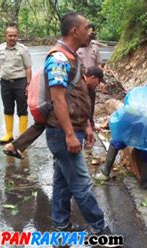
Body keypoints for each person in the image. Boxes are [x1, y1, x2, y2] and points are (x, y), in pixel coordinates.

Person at [44, 12, 108, 234]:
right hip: (62, 133)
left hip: (73, 129)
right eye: (87, 27)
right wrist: (70, 134)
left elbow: (78, 94)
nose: (90, 31)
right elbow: (58, 98)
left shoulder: (73, 56)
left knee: (63, 182)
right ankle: (100, 230)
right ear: (75, 31)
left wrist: (87, 125)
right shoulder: (59, 58)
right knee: (82, 184)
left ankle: (60, 224)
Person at [3, 66, 105, 159]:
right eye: (99, 81)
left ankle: (13, 146)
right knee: (46, 127)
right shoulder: (78, 83)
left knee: (39, 125)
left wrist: (90, 125)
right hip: (57, 109)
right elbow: (86, 109)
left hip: (51, 106)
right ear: (93, 78)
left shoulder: (81, 82)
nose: (98, 84)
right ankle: (14, 146)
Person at [100, 71, 147, 189]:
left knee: (117, 140)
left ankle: (106, 170)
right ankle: (145, 185)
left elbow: (126, 107)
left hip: (132, 126)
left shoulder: (136, 91)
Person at [0, 25, 32, 145]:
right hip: (5, 83)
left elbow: (28, 68)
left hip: (20, 82)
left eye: (14, 35)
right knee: (7, 108)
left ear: (17, 36)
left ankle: (22, 135)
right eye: (10, 35)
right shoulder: (0, 49)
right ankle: (9, 134)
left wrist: (28, 85)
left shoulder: (23, 49)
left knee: (22, 109)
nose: (12, 38)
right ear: (6, 36)